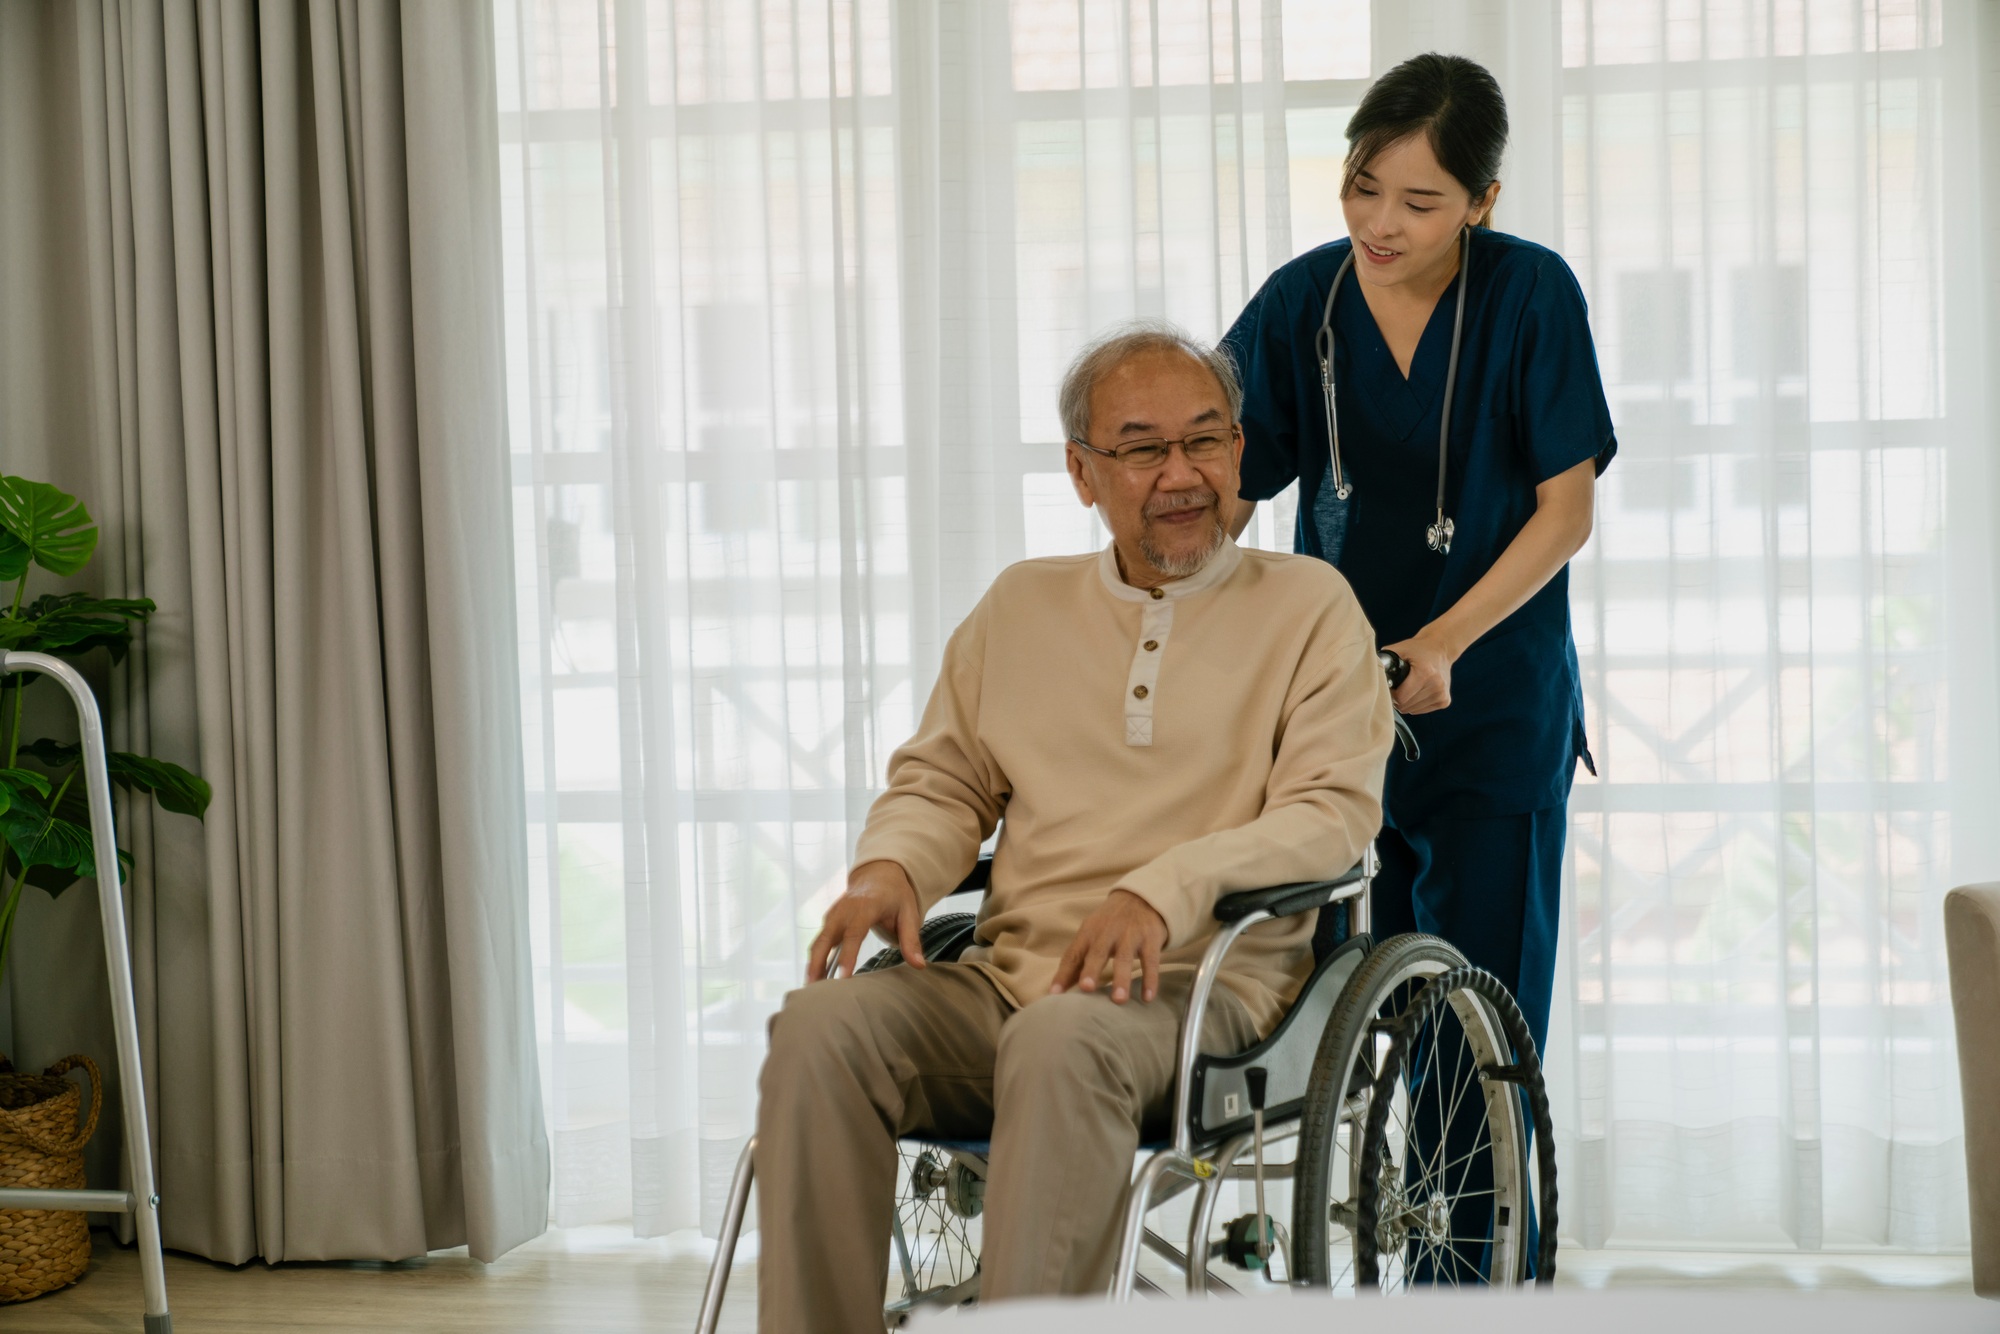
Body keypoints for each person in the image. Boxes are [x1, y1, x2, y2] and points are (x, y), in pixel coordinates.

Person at [754, 323, 1395, 1331]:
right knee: (820, 1027)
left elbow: (1330, 814)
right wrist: (891, 867)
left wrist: (1162, 885)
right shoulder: (1021, 605)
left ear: (1238, 451)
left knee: (1061, 1039)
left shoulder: (1308, 605)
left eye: (1206, 440)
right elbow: (945, 777)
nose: (1181, 474)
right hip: (1009, 983)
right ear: (1081, 471)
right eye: (1142, 448)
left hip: (1203, 998)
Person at [1224, 52, 1615, 1066]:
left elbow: (1563, 512)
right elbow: (1219, 481)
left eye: (1419, 201)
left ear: (1480, 202)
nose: (1379, 224)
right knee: (1352, 1021)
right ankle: (1394, 1228)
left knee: (1479, 1021)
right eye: (1362, 186)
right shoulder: (1299, 304)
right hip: (1338, 708)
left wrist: (1440, 643)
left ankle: (1488, 1233)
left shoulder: (1530, 294)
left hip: (1488, 702)